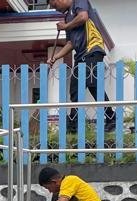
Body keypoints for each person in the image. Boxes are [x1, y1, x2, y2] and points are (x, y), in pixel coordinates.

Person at [46, 0, 116, 136]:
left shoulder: (79, 2)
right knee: (75, 90)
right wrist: (55, 57)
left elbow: (83, 17)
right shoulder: (67, 17)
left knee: (92, 84)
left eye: (55, 5)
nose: (56, 9)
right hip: (80, 55)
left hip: (92, 49)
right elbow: (71, 43)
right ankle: (73, 125)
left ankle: (111, 118)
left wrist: (65, 26)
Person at [37, 165, 107, 201]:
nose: (49, 191)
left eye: (48, 188)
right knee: (57, 199)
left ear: (54, 182)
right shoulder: (65, 185)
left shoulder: (69, 180)